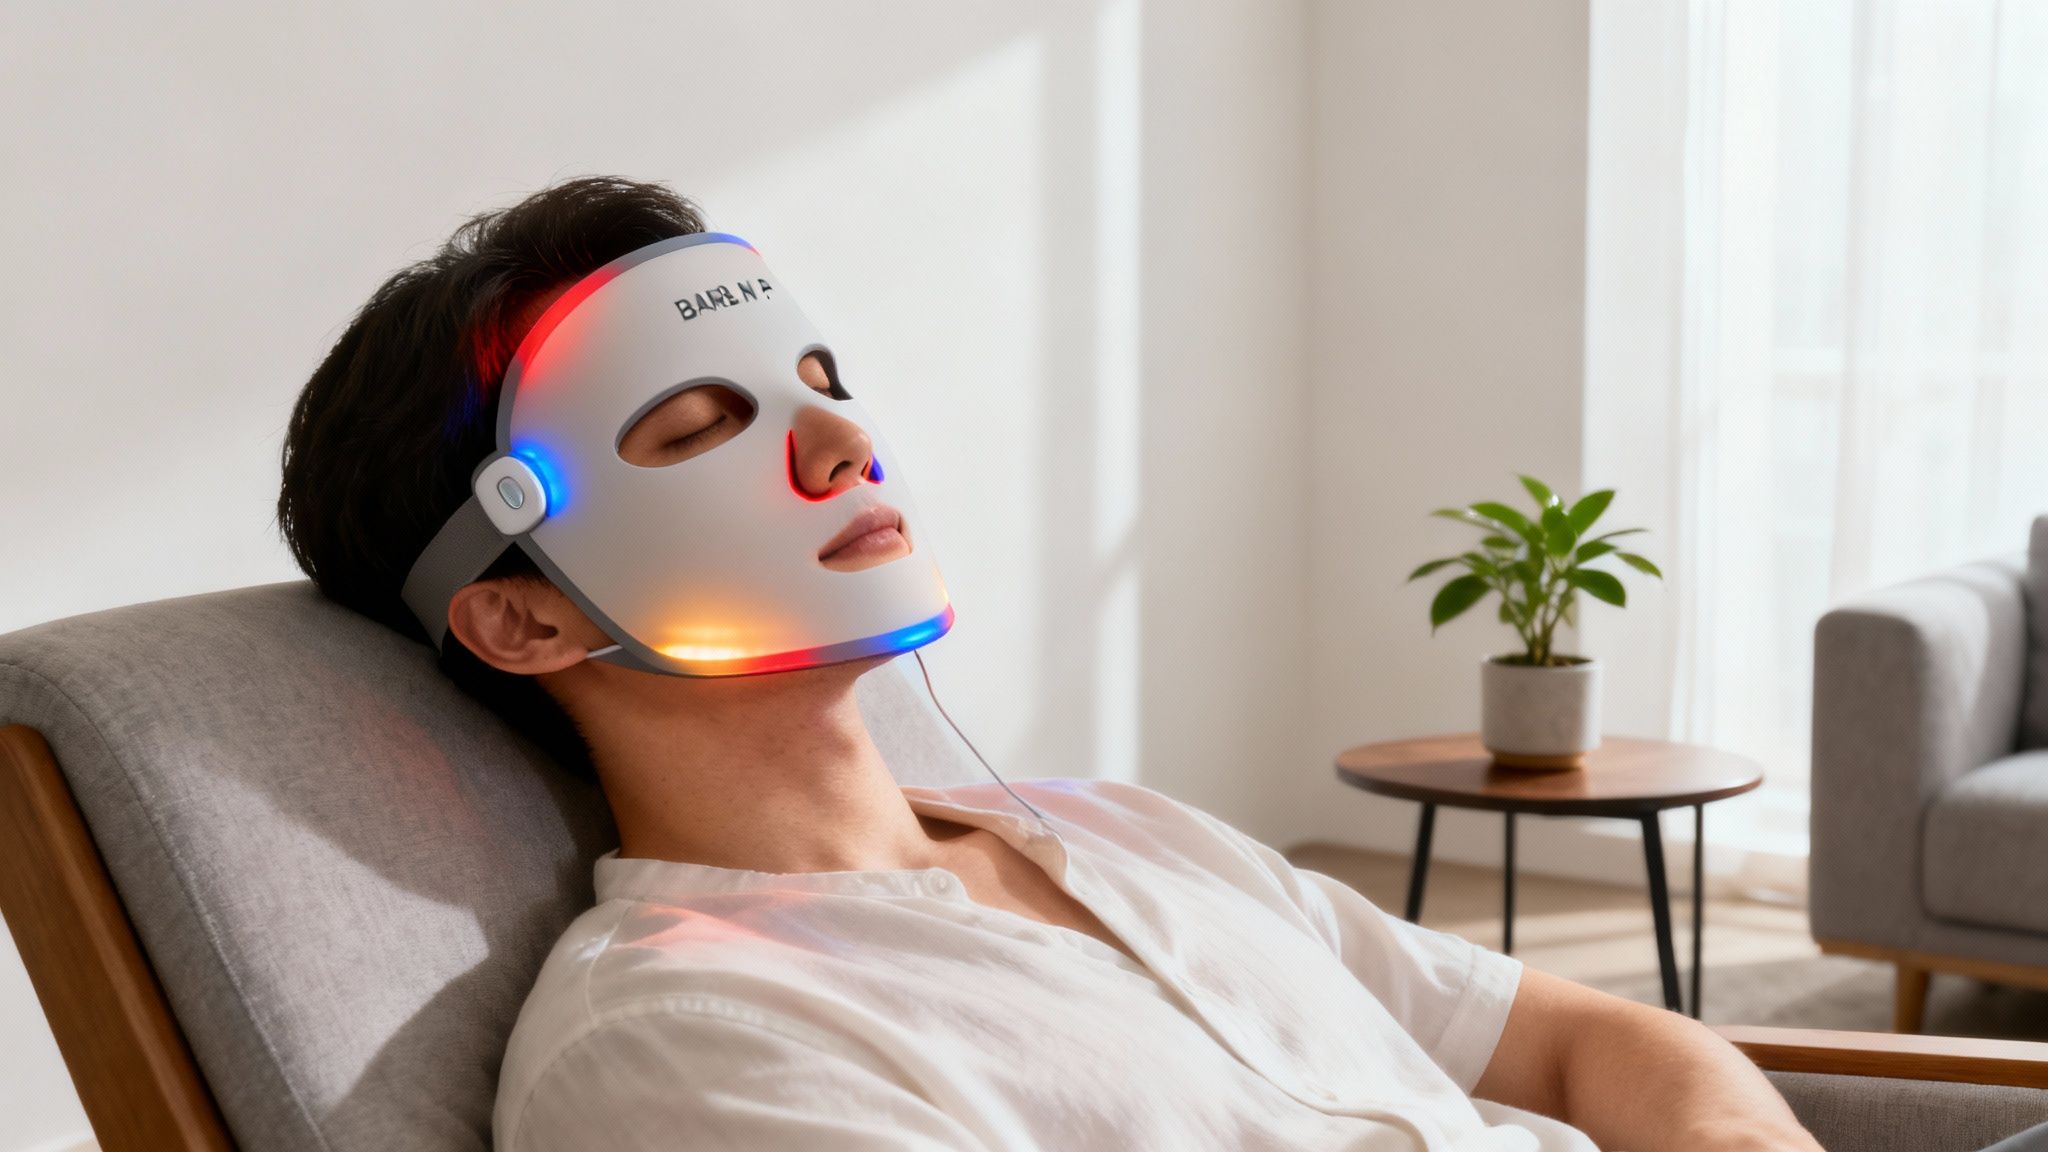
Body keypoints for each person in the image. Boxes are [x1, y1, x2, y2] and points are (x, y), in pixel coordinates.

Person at [276, 176, 1831, 1151]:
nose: (843, 441)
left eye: (822, 385)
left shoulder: (1115, 830)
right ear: (524, 613)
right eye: (698, 428)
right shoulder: (688, 1053)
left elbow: (1584, 1038)